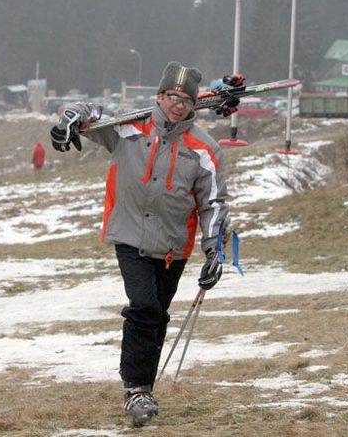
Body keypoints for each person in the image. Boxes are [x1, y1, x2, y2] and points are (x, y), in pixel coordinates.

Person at [50, 61, 229, 426]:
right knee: (144, 307)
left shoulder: (204, 150)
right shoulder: (128, 128)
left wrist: (215, 251)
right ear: (159, 97)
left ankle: (143, 390)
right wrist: (70, 118)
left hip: (172, 247)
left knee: (156, 316)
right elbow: (91, 114)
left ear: (194, 105)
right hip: (130, 236)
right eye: (171, 97)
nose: (177, 105)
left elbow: (213, 203)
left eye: (185, 100)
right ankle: (135, 391)